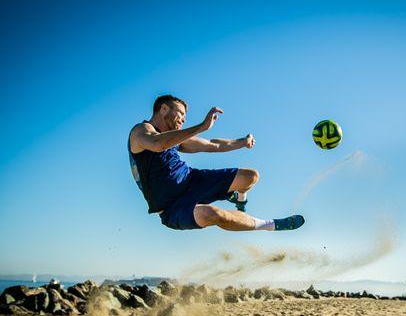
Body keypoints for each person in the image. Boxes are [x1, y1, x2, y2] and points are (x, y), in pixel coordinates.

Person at [127, 94, 305, 231]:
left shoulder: (176, 138)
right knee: (213, 214)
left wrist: (242, 141)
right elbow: (157, 144)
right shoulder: (141, 131)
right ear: (164, 109)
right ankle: (271, 225)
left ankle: (239, 200)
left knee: (250, 176)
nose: (183, 119)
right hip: (172, 207)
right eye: (180, 113)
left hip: (193, 181)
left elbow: (213, 144)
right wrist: (201, 127)